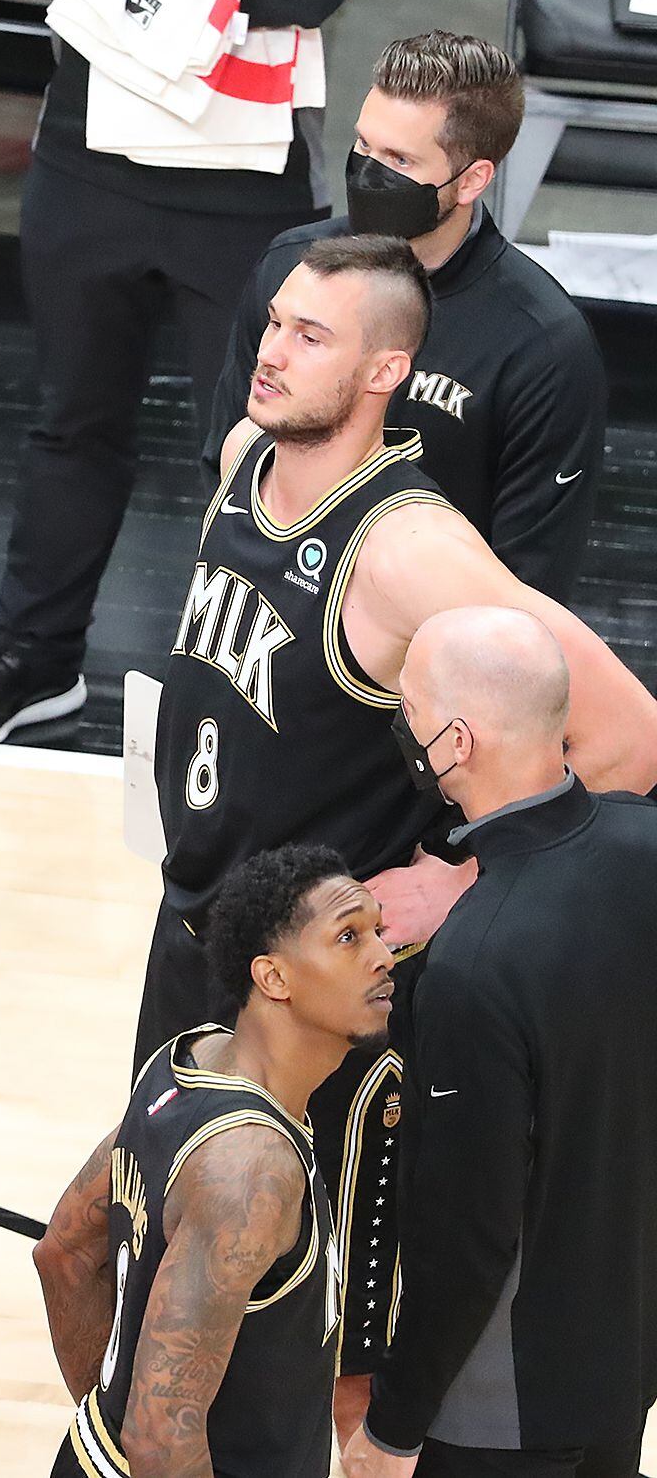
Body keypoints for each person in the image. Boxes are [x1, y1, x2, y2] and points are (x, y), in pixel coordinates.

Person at [146, 235, 657, 1411]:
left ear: (385, 371)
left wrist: (464, 880)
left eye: (309, 335)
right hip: (199, 936)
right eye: (275, 321)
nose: (270, 351)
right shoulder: (247, 456)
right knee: (168, 1272)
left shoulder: (410, 548)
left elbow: (627, 733)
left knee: (324, 1360)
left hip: (323, 1002)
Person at [0, 0, 392, 755]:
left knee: (255, 448)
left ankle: (248, 694)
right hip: (89, 144)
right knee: (71, 418)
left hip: (247, 166)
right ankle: (33, 658)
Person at [345, 609, 657, 1478]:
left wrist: (393, 1425)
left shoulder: (471, 966)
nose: (400, 724)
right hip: (624, 1362)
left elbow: (467, 1233)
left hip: (502, 1411)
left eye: (408, 707)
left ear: (457, 742)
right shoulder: (646, 844)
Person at [36, 844, 396, 1478]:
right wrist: (133, 1431)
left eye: (378, 931)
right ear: (274, 978)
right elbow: (160, 1440)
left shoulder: (188, 1059)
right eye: (348, 937)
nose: (383, 956)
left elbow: (64, 1255)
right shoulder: (254, 1168)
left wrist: (111, 1418)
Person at [205, 33, 605, 599]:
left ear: (472, 180)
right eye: (364, 144)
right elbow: (230, 464)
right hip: (268, 607)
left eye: (400, 160)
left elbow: (531, 580)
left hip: (433, 627)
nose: (368, 174)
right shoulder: (291, 269)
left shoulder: (542, 347)